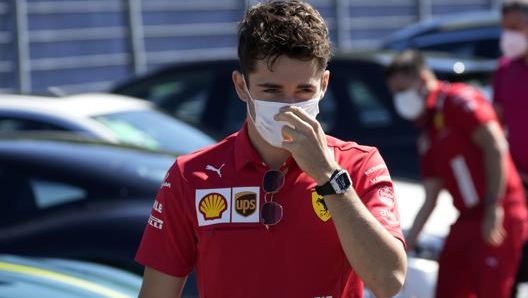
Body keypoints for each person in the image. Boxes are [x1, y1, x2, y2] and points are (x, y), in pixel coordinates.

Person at [134, 1, 408, 298]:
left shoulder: (359, 164)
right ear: (242, 87)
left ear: (324, 84)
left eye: (304, 91)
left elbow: (389, 281)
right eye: (272, 91)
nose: (289, 107)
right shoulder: (190, 176)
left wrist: (329, 178)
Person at [385, 49, 528, 298]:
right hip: (466, 217)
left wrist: (494, 204)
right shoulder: (428, 131)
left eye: (402, 90)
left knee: (493, 290)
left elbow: (495, 145)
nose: (400, 98)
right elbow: (430, 197)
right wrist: (404, 248)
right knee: (450, 288)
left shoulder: (458, 101)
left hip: (499, 208)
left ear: (422, 79)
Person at [494, 1, 528, 296]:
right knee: (513, 264)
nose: (509, 36)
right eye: (505, 29)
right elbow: (497, 123)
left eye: (515, 28)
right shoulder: (505, 70)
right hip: (517, 184)